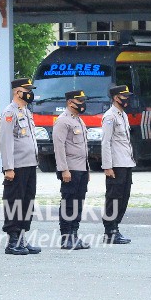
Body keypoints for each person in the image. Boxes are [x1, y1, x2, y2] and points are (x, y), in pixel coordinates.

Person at [0, 78, 42, 256]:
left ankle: (22, 236)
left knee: (27, 201)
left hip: (30, 163)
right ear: (18, 92)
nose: (30, 93)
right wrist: (8, 167)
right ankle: (13, 240)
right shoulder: (10, 112)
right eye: (27, 90)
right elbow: (6, 141)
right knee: (15, 201)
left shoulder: (26, 111)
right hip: (17, 166)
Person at [52, 89, 92, 250]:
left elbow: (83, 147)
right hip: (70, 169)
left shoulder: (78, 120)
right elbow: (59, 147)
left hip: (81, 168)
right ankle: (66, 237)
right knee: (69, 202)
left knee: (78, 203)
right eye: (79, 100)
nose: (83, 104)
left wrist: (87, 170)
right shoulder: (63, 121)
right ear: (70, 102)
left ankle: (75, 234)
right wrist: (63, 170)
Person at [101, 83, 136, 244]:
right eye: (124, 97)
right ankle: (110, 230)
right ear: (116, 98)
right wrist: (107, 166)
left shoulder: (123, 114)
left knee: (124, 197)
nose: (127, 100)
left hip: (126, 161)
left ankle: (116, 227)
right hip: (116, 164)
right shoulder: (110, 116)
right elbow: (105, 142)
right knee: (114, 197)